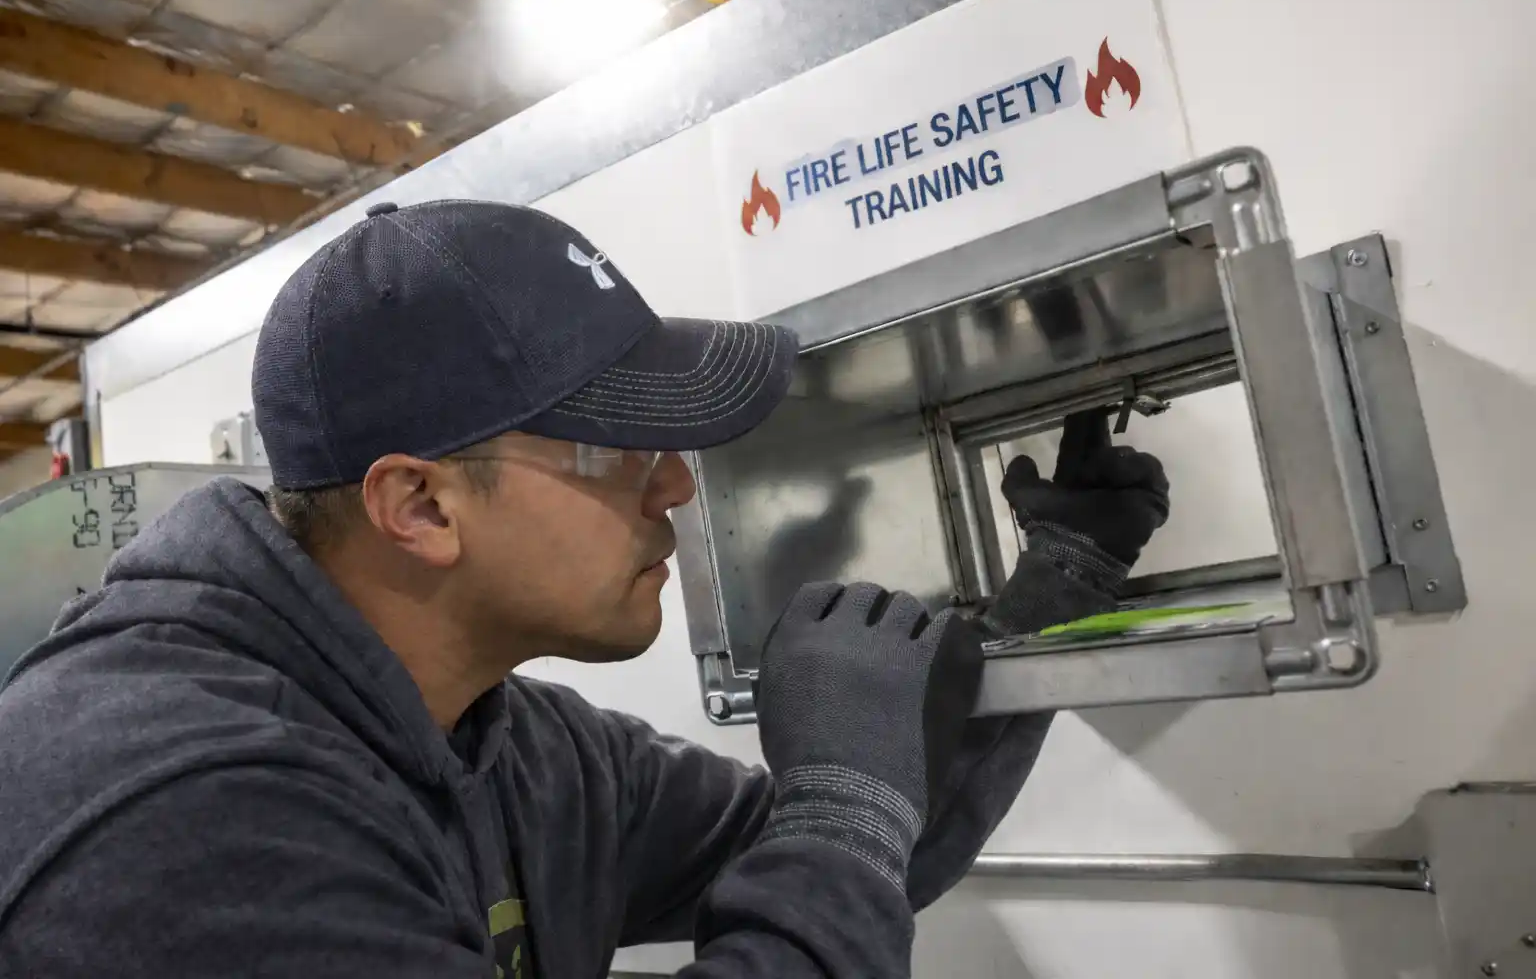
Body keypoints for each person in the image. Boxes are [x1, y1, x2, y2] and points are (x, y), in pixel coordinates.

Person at [0, 200, 1169, 978]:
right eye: (614, 448)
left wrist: (1052, 589)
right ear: (421, 506)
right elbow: (837, 843)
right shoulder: (188, 814)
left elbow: (864, 857)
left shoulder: (514, 744)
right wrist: (838, 813)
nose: (675, 487)